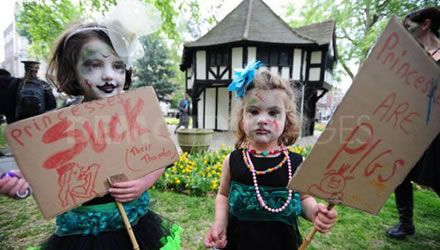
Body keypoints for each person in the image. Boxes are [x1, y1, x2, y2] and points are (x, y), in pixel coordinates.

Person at [2, 1, 181, 249]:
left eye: (118, 66)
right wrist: (22, 185)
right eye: (94, 65)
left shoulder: (136, 113)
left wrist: (143, 183)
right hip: (81, 233)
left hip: (133, 224)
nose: (109, 75)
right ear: (72, 71)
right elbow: (44, 171)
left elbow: (164, 156)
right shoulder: (61, 124)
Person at [204, 61, 338, 249]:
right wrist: (220, 222)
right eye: (254, 111)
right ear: (242, 118)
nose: (262, 120)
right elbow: (223, 195)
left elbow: (304, 198)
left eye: (273, 112)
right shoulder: (233, 161)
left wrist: (315, 212)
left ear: (287, 119)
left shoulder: (296, 163)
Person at [386, 7, 440, 240]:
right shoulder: (413, 57)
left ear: (425, 25)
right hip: (413, 127)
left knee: (437, 178)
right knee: (401, 173)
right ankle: (405, 224)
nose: (406, 31)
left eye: (409, 26)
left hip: (437, 132)